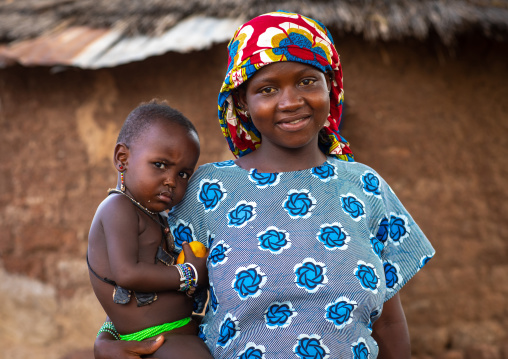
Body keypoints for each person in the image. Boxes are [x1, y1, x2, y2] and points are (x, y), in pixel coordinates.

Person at [95, 12, 435, 359]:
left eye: (307, 81)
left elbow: (389, 323)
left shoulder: (366, 187)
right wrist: (108, 339)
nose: (290, 102)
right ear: (242, 101)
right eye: (267, 89)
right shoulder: (206, 192)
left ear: (330, 86)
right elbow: (144, 286)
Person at [88, 99, 212, 358]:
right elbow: (126, 274)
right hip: (155, 338)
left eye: (183, 174)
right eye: (160, 165)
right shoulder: (117, 207)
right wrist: (189, 274)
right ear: (123, 159)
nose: (171, 181)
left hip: (173, 332)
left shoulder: (154, 215)